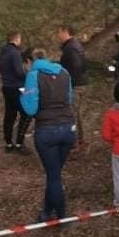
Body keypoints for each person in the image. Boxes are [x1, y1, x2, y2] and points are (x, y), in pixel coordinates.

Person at [20, 48, 76, 222]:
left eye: (25, 65)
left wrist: (23, 96)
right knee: (55, 173)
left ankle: (61, 215)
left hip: (46, 131)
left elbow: (30, 109)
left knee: (53, 175)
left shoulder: (33, 75)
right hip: (68, 128)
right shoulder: (64, 72)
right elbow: (69, 98)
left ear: (29, 61)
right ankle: (47, 210)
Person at [0, 31, 31, 153]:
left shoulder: (2, 52)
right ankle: (19, 143)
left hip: (6, 87)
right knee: (26, 113)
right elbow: (19, 72)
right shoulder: (15, 53)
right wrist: (27, 73)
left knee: (9, 115)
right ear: (17, 39)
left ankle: (8, 143)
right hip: (17, 87)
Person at [56, 25, 87, 145]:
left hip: (74, 84)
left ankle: (72, 141)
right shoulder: (74, 45)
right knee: (75, 112)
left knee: (70, 113)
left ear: (65, 32)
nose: (58, 36)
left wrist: (66, 79)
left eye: (59, 32)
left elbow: (76, 66)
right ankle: (79, 139)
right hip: (78, 82)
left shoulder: (71, 48)